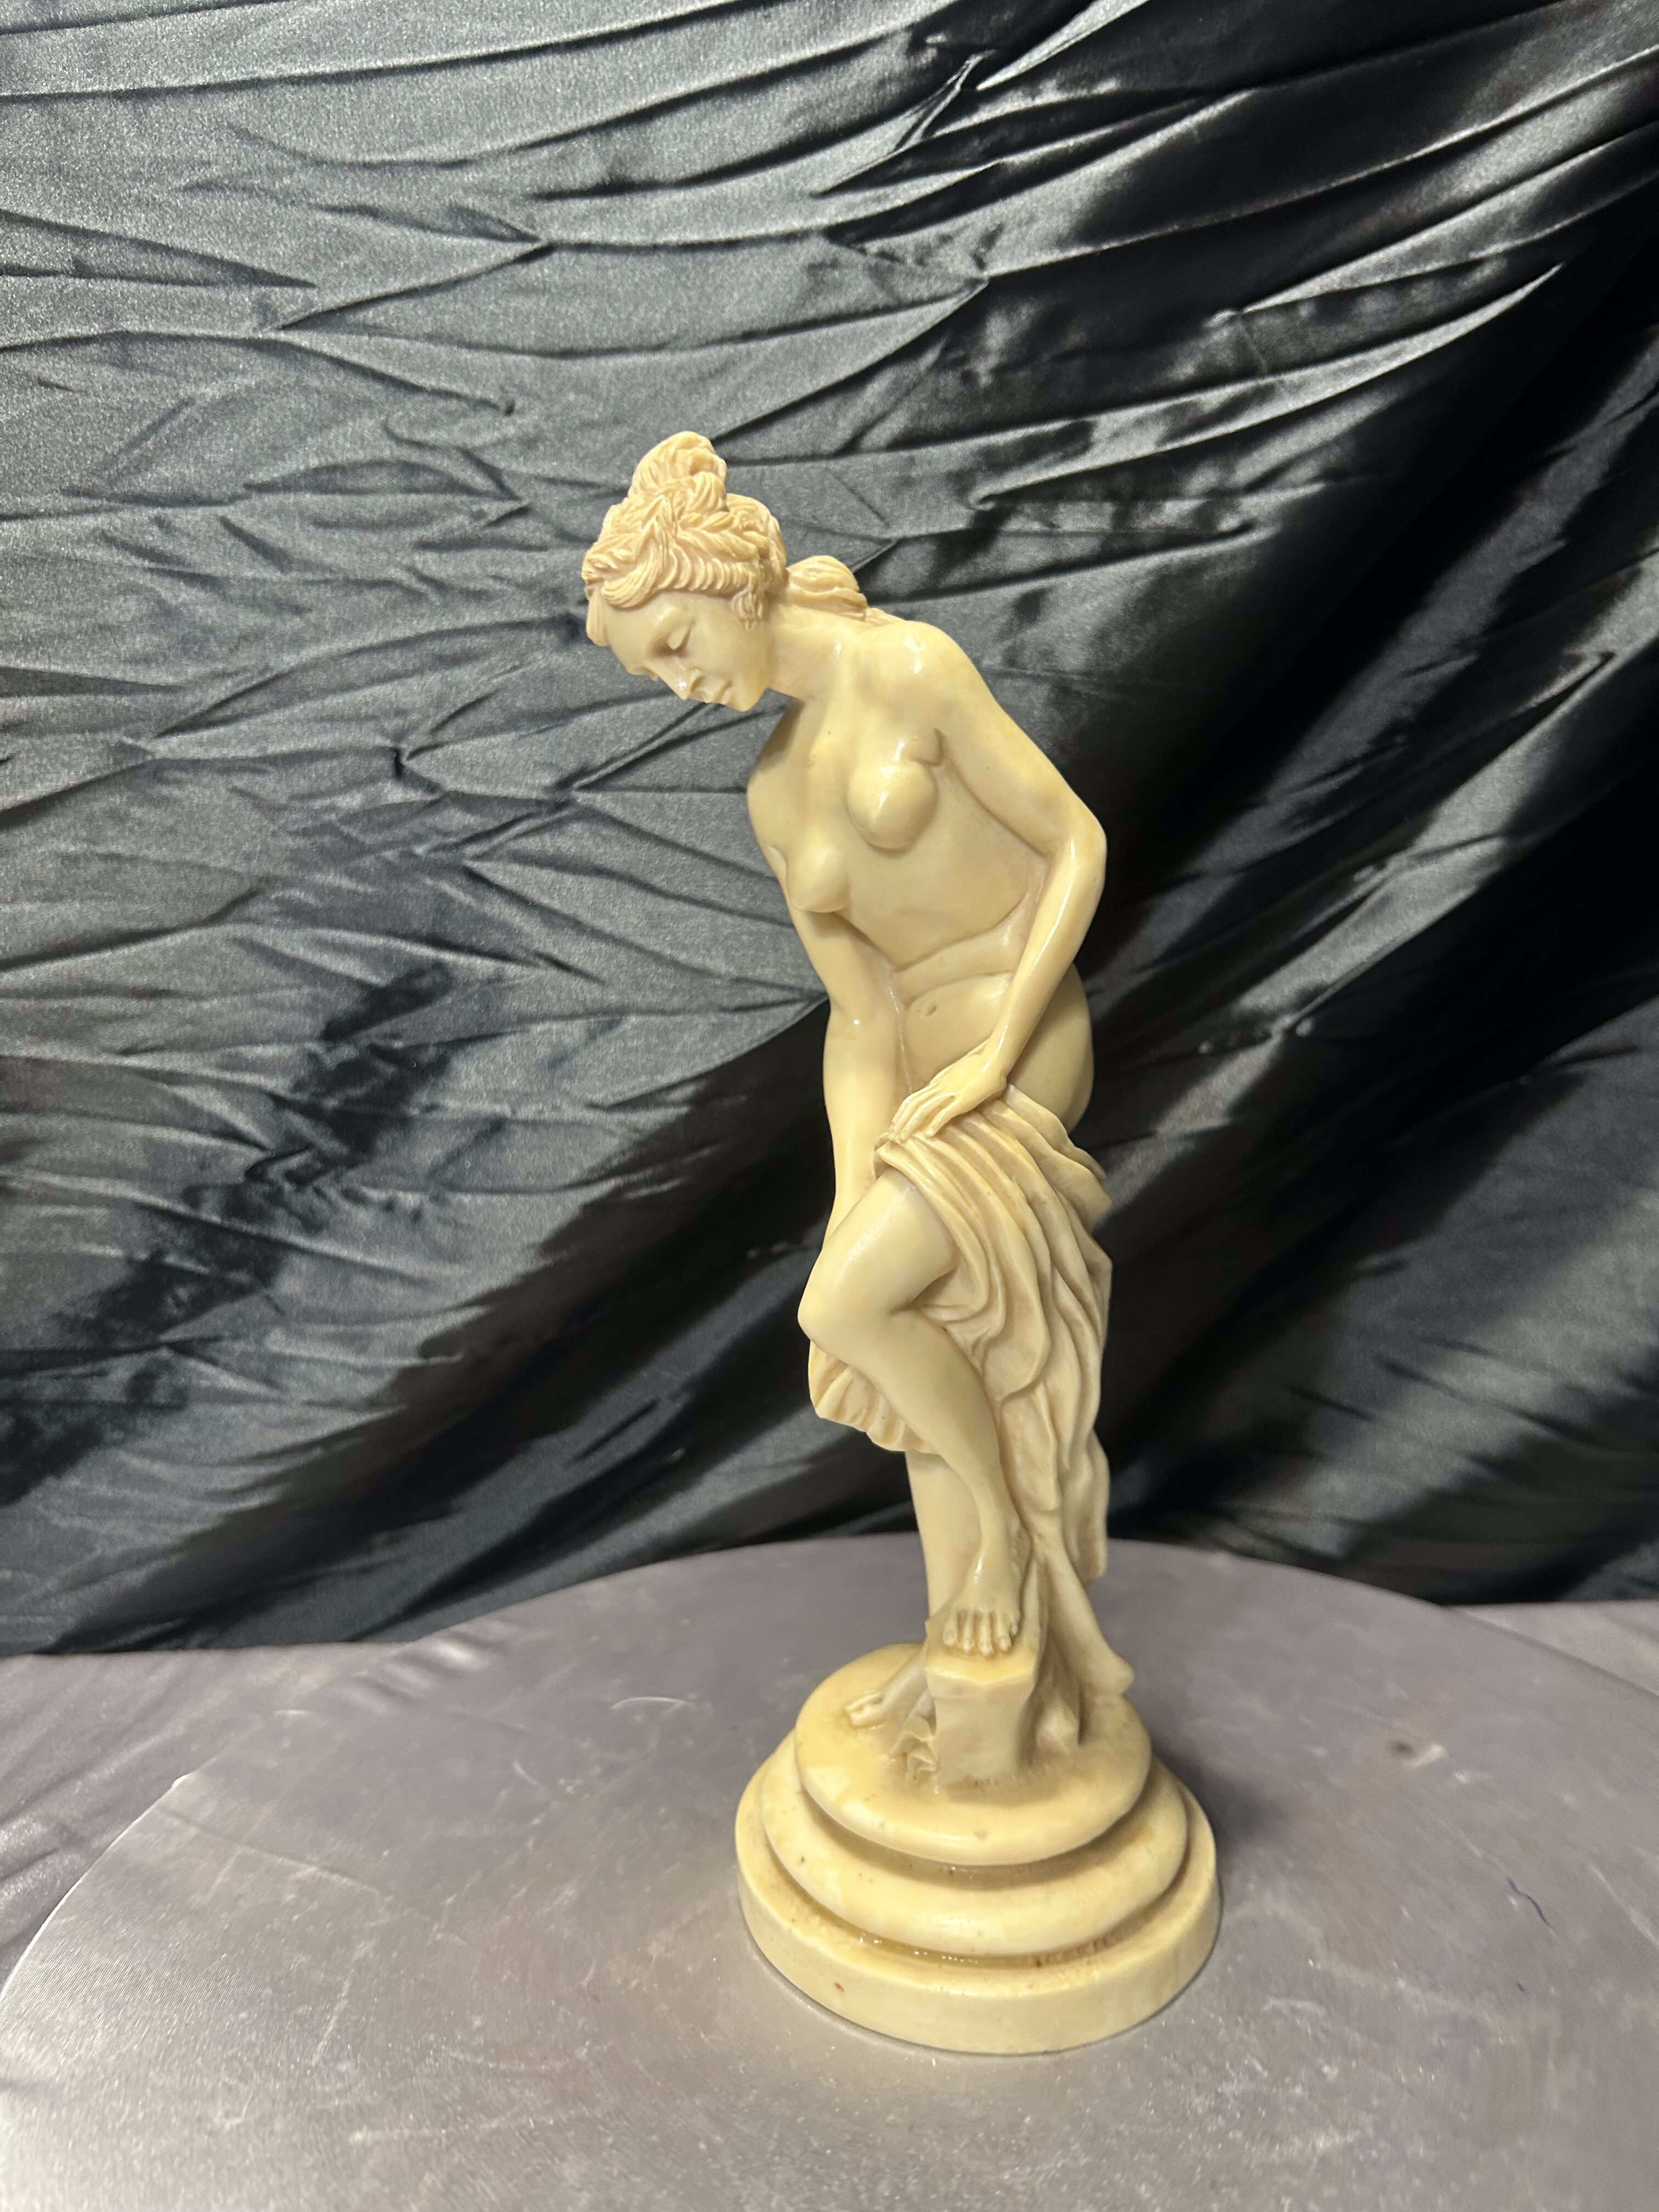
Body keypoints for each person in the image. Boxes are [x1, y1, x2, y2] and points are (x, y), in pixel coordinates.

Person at [584, 433, 1130, 1776]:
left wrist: (999, 1054)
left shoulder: (913, 668)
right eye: (654, 673)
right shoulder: (773, 792)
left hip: (1019, 1038)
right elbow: (862, 1016)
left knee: (848, 1308)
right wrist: (848, 1191)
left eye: (674, 642)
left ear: (727, 583)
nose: (681, 682)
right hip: (913, 1083)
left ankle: (1001, 1546)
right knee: (904, 1321)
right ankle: (971, 1638)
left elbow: (1075, 842)